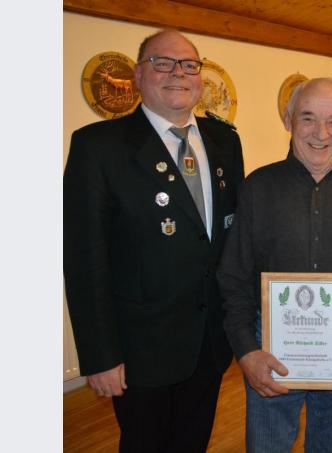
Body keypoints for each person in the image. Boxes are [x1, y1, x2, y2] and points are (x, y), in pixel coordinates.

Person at [63, 30, 245, 452]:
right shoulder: (99, 148)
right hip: (140, 349)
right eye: (162, 63)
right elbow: (85, 260)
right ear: (139, 76)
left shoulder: (225, 142)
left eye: (188, 64)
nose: (177, 73)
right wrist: (100, 356)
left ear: (201, 77)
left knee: (193, 442)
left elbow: (229, 238)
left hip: (208, 341)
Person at [216, 78, 332, 453]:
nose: (321, 134)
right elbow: (233, 279)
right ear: (288, 120)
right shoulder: (257, 188)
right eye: (308, 119)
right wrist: (247, 351)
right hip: (270, 349)